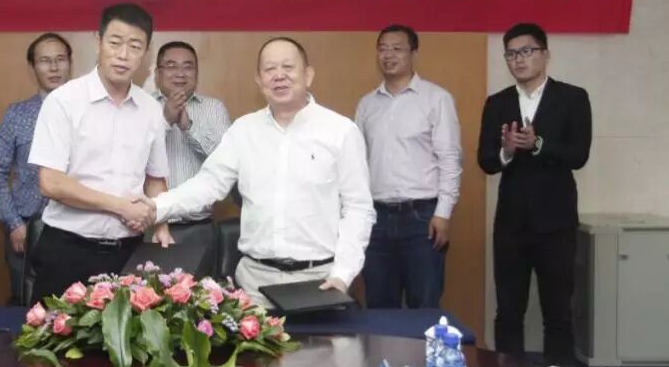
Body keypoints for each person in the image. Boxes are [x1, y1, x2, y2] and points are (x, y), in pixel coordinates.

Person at [147, 37, 376, 308]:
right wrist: (154, 208)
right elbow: (208, 184)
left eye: (288, 67)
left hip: (321, 282)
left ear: (308, 75)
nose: (279, 75)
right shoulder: (244, 130)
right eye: (269, 69)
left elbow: (358, 208)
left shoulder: (341, 131)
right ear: (259, 80)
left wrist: (343, 274)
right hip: (255, 286)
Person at [27, 2, 173, 303]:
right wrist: (120, 207)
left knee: (127, 335)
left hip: (128, 255)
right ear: (98, 41)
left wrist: (160, 223)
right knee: (55, 333)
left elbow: (155, 180)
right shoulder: (64, 101)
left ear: (146, 53)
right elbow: (51, 183)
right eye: (115, 42)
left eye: (135, 46)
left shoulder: (150, 109)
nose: (123, 55)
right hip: (68, 252)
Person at [478, 22, 591, 366]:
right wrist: (507, 151)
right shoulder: (497, 103)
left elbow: (578, 155)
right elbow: (486, 161)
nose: (519, 59)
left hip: (556, 223)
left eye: (526, 51)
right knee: (508, 311)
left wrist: (538, 143)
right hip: (511, 225)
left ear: (545, 54)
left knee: (558, 312)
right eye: (511, 54)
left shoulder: (572, 98)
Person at [356, 24, 462, 308]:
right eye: (382, 49)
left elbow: (450, 160)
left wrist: (443, 214)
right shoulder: (367, 104)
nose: (388, 55)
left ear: (414, 53)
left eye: (397, 49)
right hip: (376, 220)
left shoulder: (436, 99)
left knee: (423, 307)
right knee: (379, 308)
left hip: (422, 219)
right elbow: (356, 163)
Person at [0, 33, 73, 304]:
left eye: (60, 59)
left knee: (75, 307)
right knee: (27, 308)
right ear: (32, 67)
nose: (54, 67)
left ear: (70, 63)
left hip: (77, 227)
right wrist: (14, 224)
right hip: (26, 228)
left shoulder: (89, 112)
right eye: (45, 61)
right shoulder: (17, 114)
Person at [153, 40, 232, 225]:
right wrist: (165, 122)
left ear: (197, 73)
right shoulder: (142, 107)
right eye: (171, 66)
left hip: (199, 224)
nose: (180, 73)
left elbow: (226, 162)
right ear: (157, 74)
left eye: (188, 67)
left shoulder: (214, 108)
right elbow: (132, 157)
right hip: (151, 223)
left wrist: (189, 127)